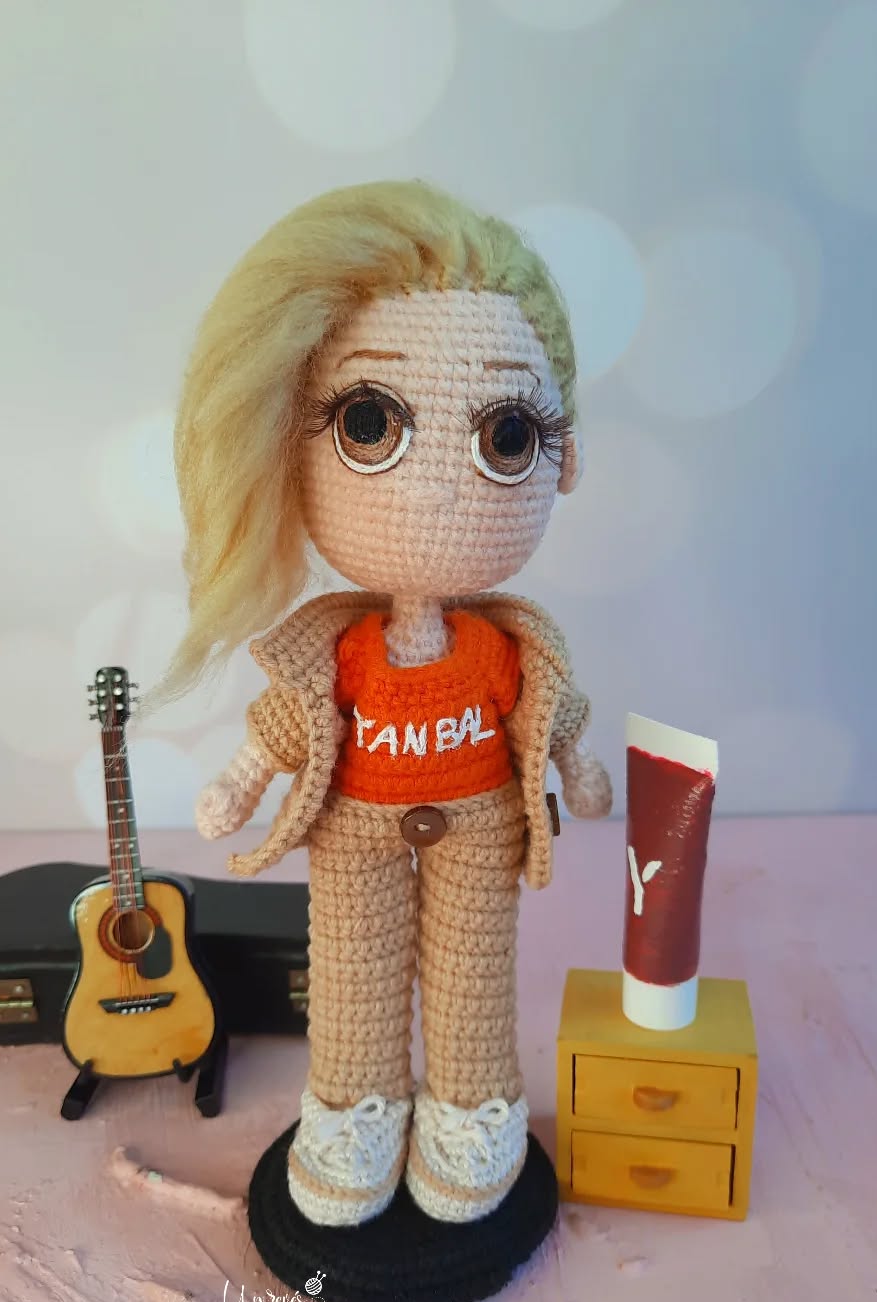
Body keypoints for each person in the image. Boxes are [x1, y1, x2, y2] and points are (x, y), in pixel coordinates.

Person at [163, 180, 613, 1227]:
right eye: (370, 423)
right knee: (352, 975)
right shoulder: (343, 653)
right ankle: (354, 1106)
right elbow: (294, 721)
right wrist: (243, 778)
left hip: (480, 826)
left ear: (563, 459)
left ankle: (471, 1104)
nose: (437, 490)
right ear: (292, 443)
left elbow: (547, 713)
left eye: (506, 434)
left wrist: (576, 765)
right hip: (354, 830)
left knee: (473, 976)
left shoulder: (504, 651)